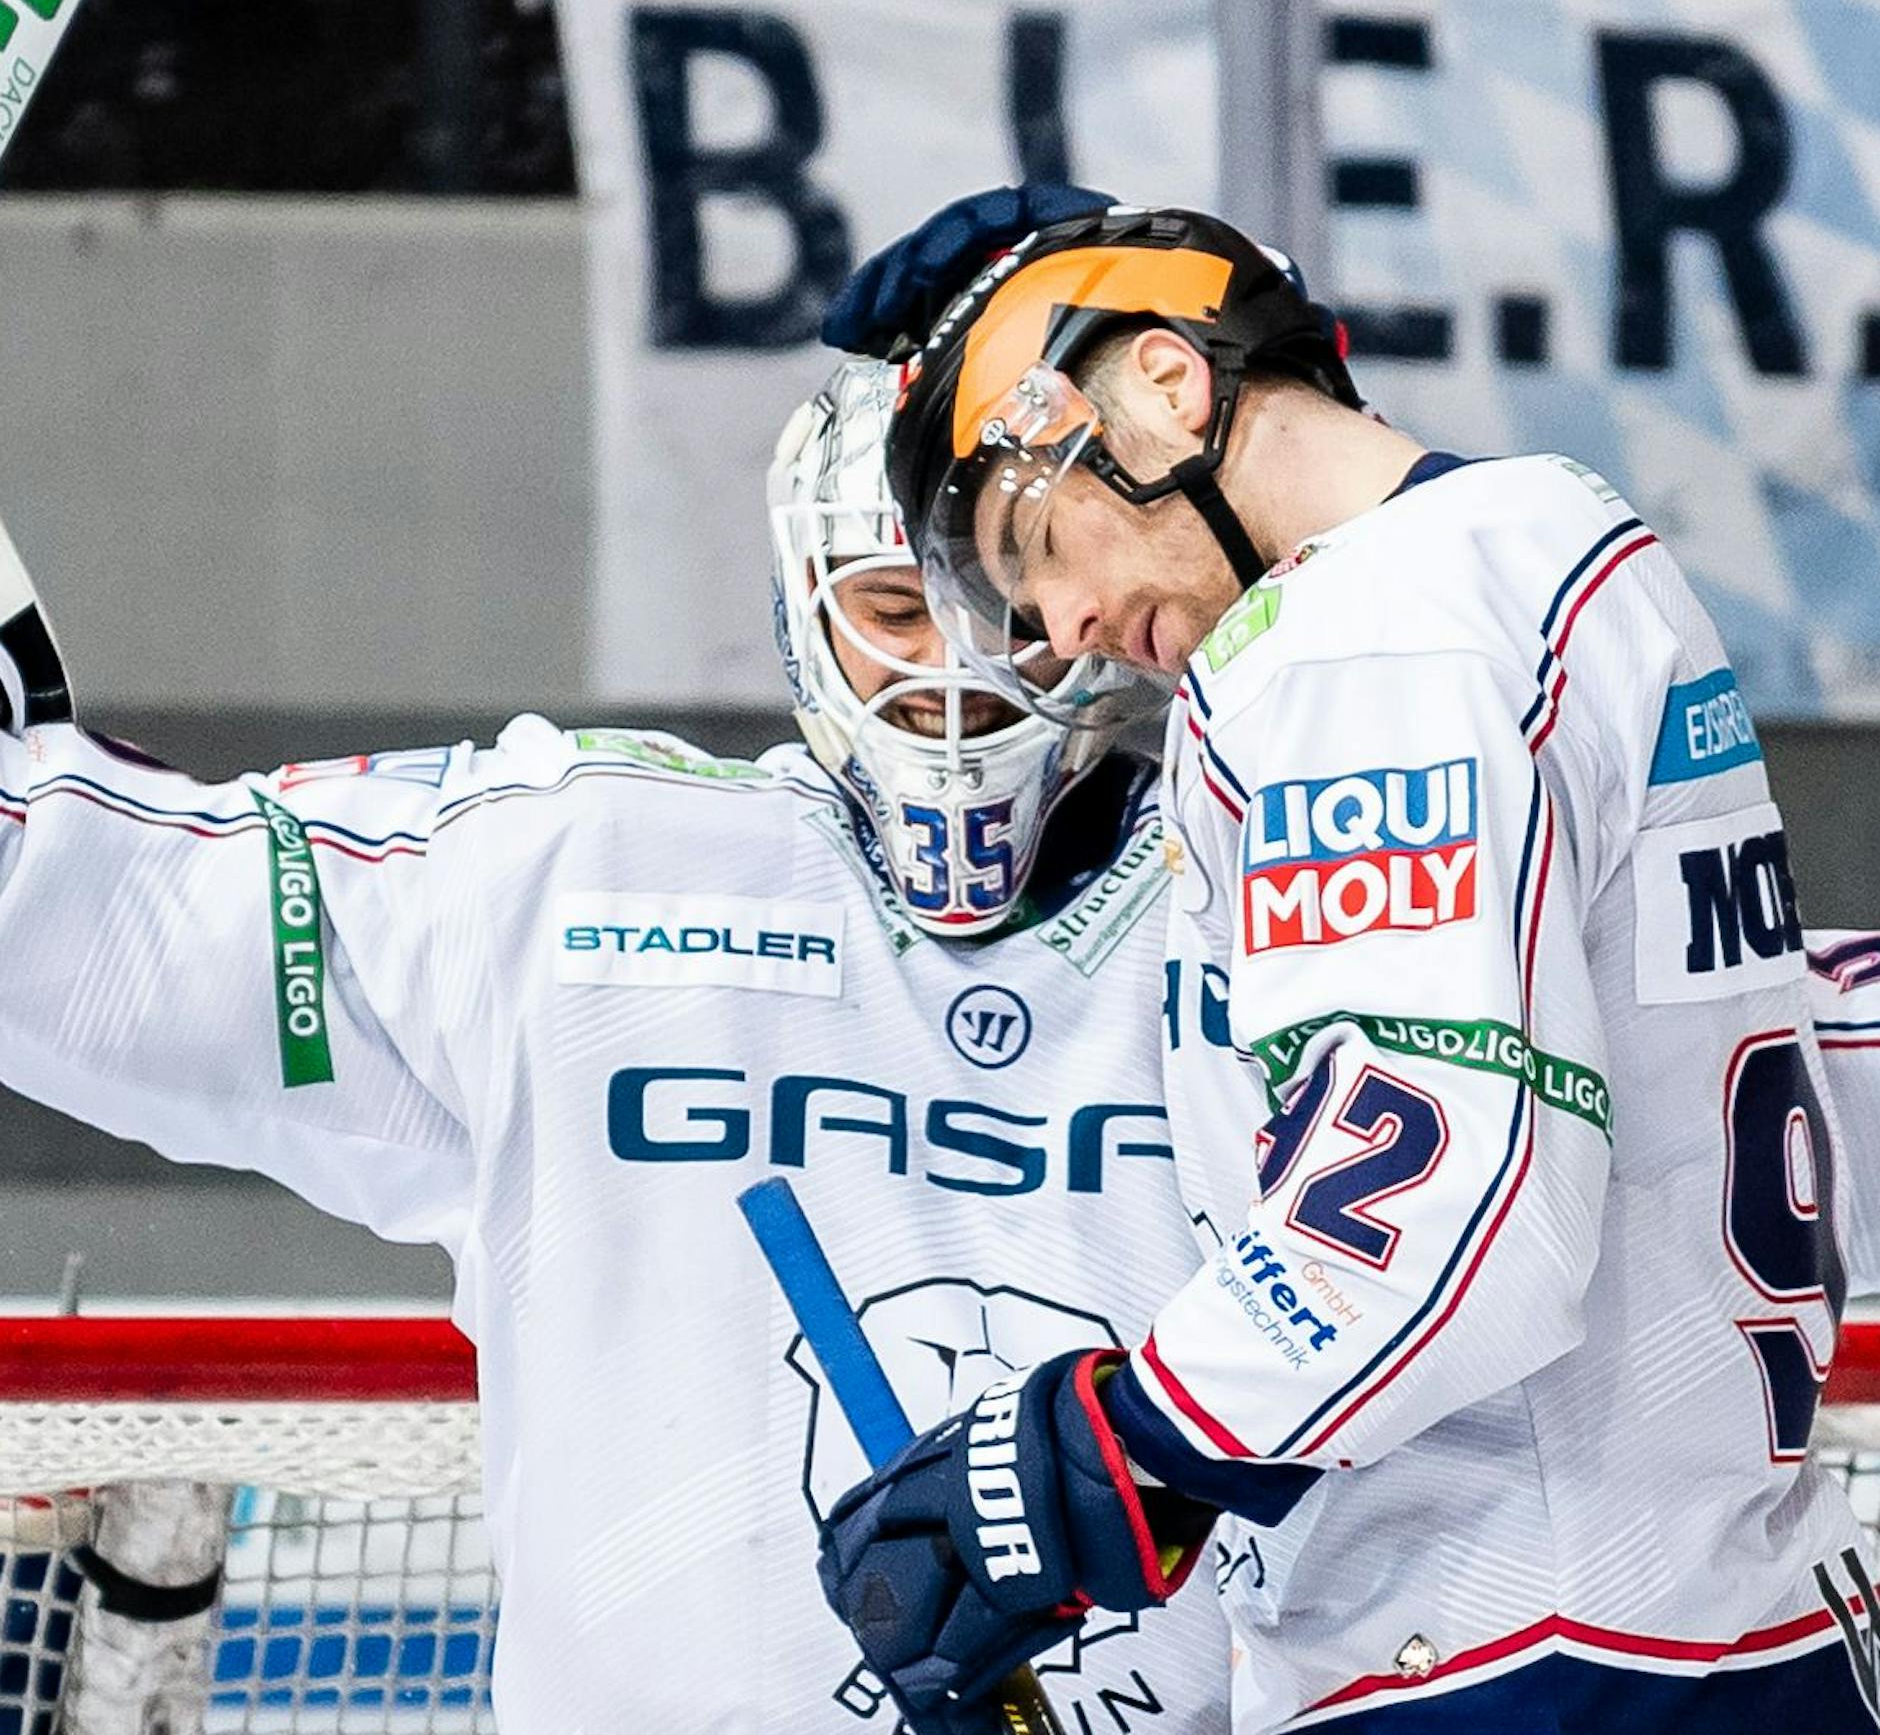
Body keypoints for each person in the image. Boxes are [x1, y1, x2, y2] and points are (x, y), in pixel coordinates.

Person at [0, 358, 1236, 1732]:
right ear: (801, 602)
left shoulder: (1277, 905)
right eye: (896, 610)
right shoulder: (572, 873)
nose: (954, 679)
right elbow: (70, 915)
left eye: (1000, 607)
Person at [812, 189, 1880, 1730]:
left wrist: (1109, 1455)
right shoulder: (1561, 550)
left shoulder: (1361, 642)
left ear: (1171, 386)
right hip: (1724, 1625)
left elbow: (1451, 1207)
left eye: (1036, 539)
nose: (1062, 622)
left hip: (1519, 1658)